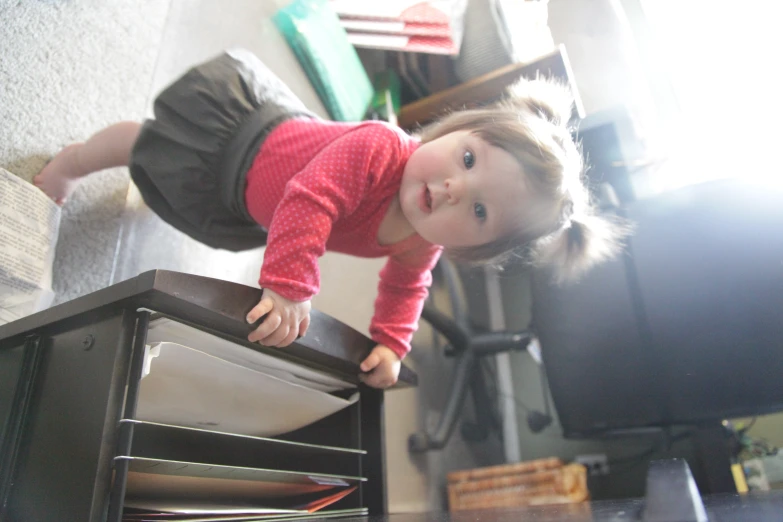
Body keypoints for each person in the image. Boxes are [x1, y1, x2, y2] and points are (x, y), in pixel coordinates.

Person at [34, 49, 625, 388]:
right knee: (145, 145)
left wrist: (393, 343)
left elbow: (406, 287)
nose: (450, 188)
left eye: (478, 210)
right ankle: (74, 162)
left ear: (478, 246)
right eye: (467, 159)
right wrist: (291, 286)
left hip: (250, 203)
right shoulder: (378, 148)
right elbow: (311, 199)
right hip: (235, 143)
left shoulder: (422, 242)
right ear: (458, 128)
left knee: (166, 180)